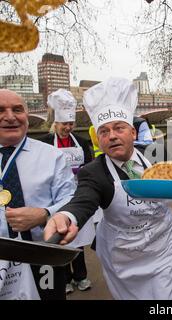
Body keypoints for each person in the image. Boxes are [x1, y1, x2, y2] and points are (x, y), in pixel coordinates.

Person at [43, 77, 172, 300]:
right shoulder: (93, 172)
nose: (112, 135)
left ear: (133, 133)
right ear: (99, 140)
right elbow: (83, 200)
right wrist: (67, 216)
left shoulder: (159, 154)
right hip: (123, 254)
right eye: (104, 131)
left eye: (118, 128)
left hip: (162, 244)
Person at [0, 89, 75, 300]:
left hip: (43, 255)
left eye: (17, 109)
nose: (10, 116)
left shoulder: (52, 157)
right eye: (1, 110)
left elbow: (71, 199)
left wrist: (45, 213)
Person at [40, 89, 94, 294]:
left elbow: (89, 165)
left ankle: (81, 276)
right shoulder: (45, 142)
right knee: (58, 239)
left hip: (77, 195)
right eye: (64, 124)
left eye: (70, 124)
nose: (68, 127)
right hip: (54, 197)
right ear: (56, 123)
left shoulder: (80, 141)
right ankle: (64, 278)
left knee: (77, 239)